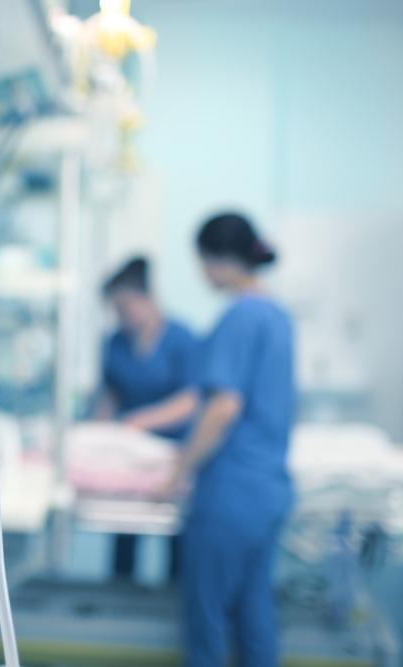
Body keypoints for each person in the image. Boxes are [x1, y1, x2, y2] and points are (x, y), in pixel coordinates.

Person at [167, 212, 295, 667]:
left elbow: (222, 408)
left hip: (231, 492)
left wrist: (181, 468)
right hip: (269, 490)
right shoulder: (277, 315)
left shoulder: (240, 317)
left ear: (218, 260)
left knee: (207, 620)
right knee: (254, 612)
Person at [96, 256, 200, 439]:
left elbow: (192, 400)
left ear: (148, 298)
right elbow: (110, 397)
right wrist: (98, 433)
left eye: (125, 306)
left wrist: (139, 422)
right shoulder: (115, 343)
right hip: (129, 442)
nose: (120, 315)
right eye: (115, 309)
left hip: (174, 443)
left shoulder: (182, 339)